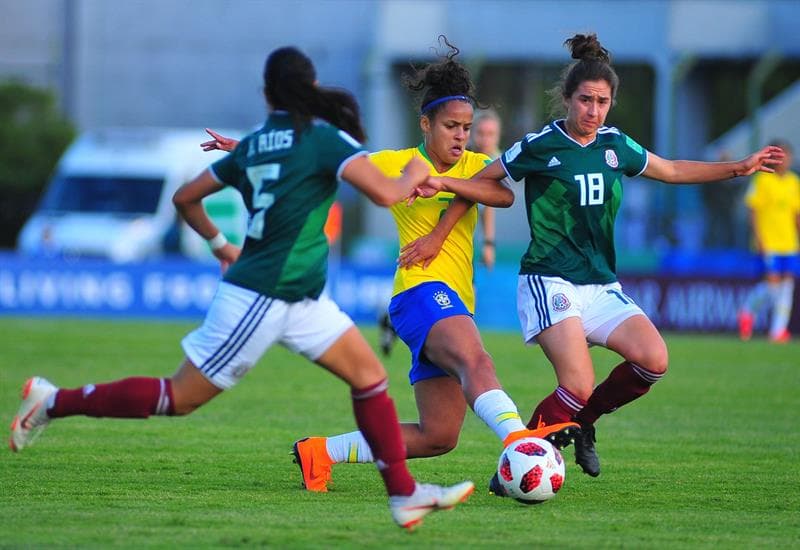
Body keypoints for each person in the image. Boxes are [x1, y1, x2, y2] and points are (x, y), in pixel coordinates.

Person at [8, 46, 475, 531]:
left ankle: (403, 495)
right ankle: (52, 401)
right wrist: (418, 173)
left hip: (300, 297)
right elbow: (387, 193)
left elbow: (185, 198)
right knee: (179, 397)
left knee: (369, 379)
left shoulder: (255, 143)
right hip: (264, 294)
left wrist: (219, 244)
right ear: (311, 89)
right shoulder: (323, 139)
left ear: (267, 93)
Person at [408, 33, 785, 483]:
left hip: (600, 283)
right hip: (550, 280)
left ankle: (583, 422)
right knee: (577, 384)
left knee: (653, 360)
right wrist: (438, 228)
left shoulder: (616, 145)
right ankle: (517, 465)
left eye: (602, 101)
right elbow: (485, 186)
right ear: (567, 99)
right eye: (585, 99)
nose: (593, 110)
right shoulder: (540, 145)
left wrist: (738, 168)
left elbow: (672, 170)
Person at [377, 108, 502, 356]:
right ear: (427, 124)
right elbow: (348, 165)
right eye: (452, 126)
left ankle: (389, 324)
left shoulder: (483, 164)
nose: (461, 134)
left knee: (450, 379)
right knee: (474, 360)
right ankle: (393, 321)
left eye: (466, 128)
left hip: (460, 269)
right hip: (419, 279)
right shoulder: (402, 161)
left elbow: (499, 199)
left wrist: (488, 242)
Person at [737, 140, 800, 343]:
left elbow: (796, 214)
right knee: (772, 285)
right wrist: (758, 238)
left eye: (788, 157)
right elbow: (752, 211)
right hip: (769, 242)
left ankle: (777, 331)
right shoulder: (763, 180)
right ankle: (747, 311)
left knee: (788, 285)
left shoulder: (793, 182)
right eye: (781, 157)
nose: (786, 161)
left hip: (789, 243)